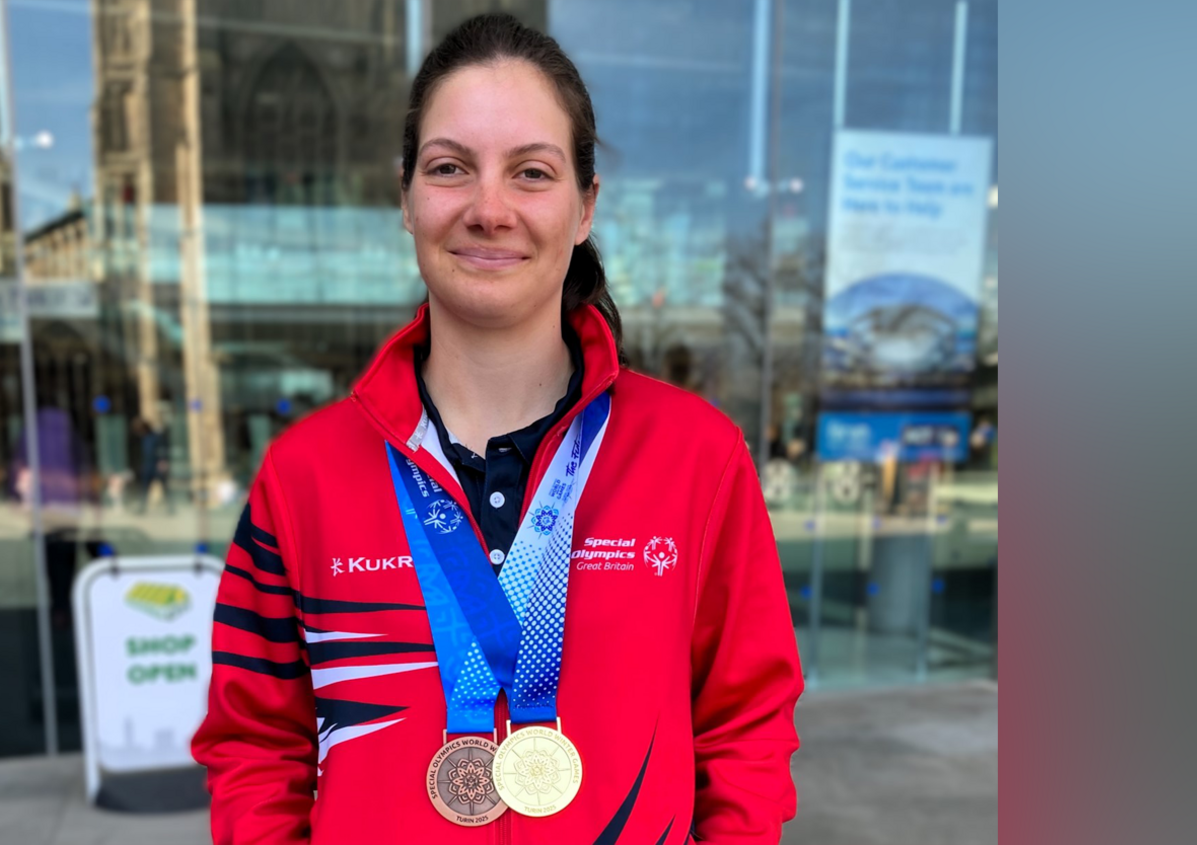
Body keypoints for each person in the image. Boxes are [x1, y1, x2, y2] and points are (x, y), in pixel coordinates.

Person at [192, 14, 802, 844]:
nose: (489, 208)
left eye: (531, 172)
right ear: (406, 196)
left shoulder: (697, 456)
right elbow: (256, 742)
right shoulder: (305, 473)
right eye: (451, 168)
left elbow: (744, 727)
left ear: (585, 207)